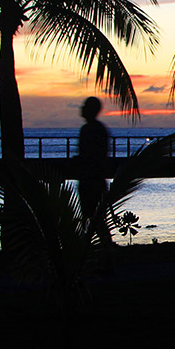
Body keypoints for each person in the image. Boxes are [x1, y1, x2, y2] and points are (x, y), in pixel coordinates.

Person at [77, 97, 112, 247]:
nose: (81, 108)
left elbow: (90, 156)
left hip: (91, 179)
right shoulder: (98, 129)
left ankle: (99, 248)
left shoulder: (90, 129)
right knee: (95, 219)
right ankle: (102, 247)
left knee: (93, 218)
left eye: (85, 106)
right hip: (95, 179)